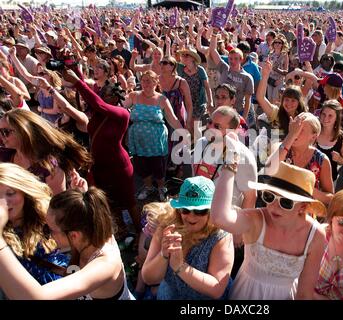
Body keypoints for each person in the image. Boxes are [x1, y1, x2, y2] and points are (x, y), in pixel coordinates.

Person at [211, 159, 326, 300]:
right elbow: (220, 218)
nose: (273, 206)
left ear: (302, 207)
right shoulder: (256, 219)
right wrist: (230, 165)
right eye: (269, 196)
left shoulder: (316, 235)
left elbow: (305, 294)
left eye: (286, 202)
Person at [0, 183, 135, 300]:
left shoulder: (105, 265)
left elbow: (35, 297)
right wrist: (81, 199)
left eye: (49, 229)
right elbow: (93, 211)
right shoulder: (90, 232)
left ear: (74, 235)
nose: (46, 235)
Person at [62, 69, 140, 238]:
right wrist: (73, 71)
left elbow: (98, 103)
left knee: (129, 201)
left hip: (119, 166)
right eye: (102, 93)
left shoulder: (122, 114)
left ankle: (140, 233)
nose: (103, 95)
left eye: (108, 93)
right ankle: (123, 231)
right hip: (100, 166)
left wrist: (77, 82)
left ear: (116, 96)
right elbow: (90, 99)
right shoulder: (98, 114)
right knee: (110, 201)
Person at [141, 176, 234, 300]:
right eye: (185, 210)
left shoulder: (221, 235)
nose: (191, 217)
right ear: (179, 210)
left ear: (212, 211)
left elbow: (217, 289)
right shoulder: (167, 226)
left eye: (200, 211)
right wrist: (163, 254)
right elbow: (148, 278)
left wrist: (180, 267)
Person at [0, 163, 69, 285]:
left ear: (24, 191)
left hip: (69, 287)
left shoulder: (48, 216)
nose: (4, 202)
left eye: (10, 193)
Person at [124, 70, 184, 202]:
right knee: (141, 164)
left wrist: (184, 133)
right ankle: (148, 187)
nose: (146, 83)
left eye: (149, 80)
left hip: (156, 141)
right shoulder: (134, 95)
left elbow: (172, 119)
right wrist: (125, 90)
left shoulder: (161, 99)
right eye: (144, 80)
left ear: (155, 82)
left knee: (158, 166)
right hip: (138, 140)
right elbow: (120, 107)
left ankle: (161, 188)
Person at [0, 109, 91, 195]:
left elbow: (56, 206)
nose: (1, 136)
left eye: (5, 132)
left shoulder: (49, 167)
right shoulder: (4, 155)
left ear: (24, 132)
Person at [265, 112, 334, 205]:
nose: (295, 132)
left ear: (313, 137)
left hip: (304, 213)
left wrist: (307, 189)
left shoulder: (322, 160)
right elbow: (268, 170)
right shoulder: (280, 148)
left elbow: (330, 198)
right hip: (278, 208)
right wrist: (291, 135)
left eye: (300, 130)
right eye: (294, 128)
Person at [257, 61, 308, 139]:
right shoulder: (276, 113)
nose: (289, 103)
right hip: (275, 150)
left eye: (293, 100)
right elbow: (260, 98)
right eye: (286, 99)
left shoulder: (304, 118)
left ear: (299, 102)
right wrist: (265, 76)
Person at [316, 100, 343, 182]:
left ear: (337, 118)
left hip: (330, 180)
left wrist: (339, 159)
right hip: (310, 178)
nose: (325, 118)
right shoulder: (313, 132)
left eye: (330, 115)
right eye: (323, 114)